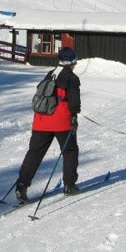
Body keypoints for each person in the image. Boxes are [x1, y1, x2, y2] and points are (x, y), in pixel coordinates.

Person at [14, 47, 81, 202]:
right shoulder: (71, 78)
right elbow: (74, 102)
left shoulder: (50, 74)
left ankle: (22, 185)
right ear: (72, 62)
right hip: (61, 121)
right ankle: (69, 185)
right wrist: (74, 118)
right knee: (70, 151)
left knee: (34, 154)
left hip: (41, 120)